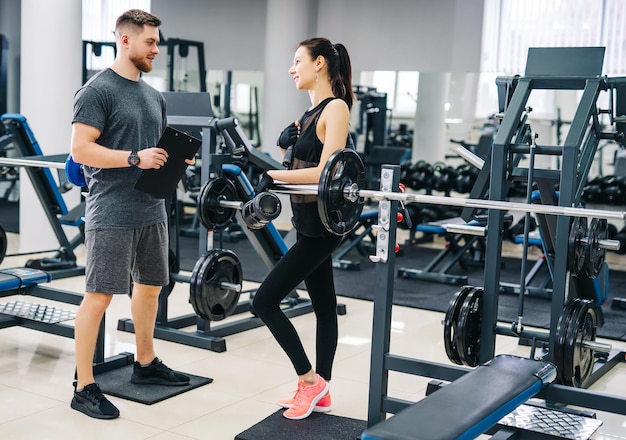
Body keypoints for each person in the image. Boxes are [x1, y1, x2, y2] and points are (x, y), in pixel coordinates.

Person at [69, 9, 191, 420]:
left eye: (157, 42)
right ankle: (84, 386)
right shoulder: (96, 91)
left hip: (151, 208)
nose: (156, 49)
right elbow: (81, 150)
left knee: (152, 286)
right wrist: (134, 157)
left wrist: (173, 162)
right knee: (100, 296)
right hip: (112, 209)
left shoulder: (153, 95)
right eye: (150, 42)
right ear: (126, 40)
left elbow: (155, 151)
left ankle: (145, 362)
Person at [251, 37, 354, 421]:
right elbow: (299, 171)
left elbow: (328, 174)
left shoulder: (336, 109)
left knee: (264, 301)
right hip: (306, 223)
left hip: (324, 228)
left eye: (298, 61)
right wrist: (283, 153)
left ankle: (309, 381)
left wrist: (271, 174)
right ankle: (322, 391)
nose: (292, 69)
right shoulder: (307, 117)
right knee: (324, 308)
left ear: (321, 64)